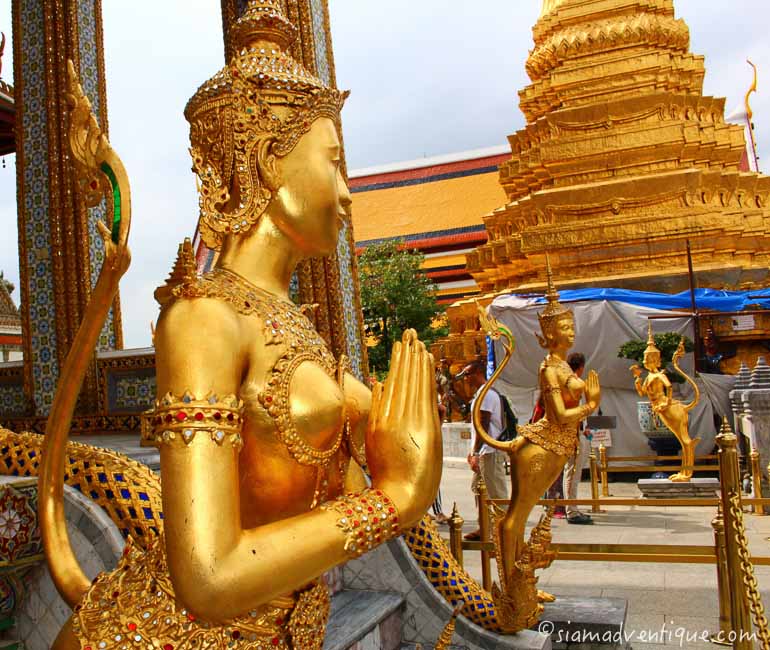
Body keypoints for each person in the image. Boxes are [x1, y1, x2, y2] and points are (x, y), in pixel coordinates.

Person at [43, 3, 442, 648]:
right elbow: (207, 578)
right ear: (266, 162)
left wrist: (386, 434)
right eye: (334, 161)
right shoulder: (205, 319)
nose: (347, 191)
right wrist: (393, 501)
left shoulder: (292, 323)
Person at [464, 359, 508, 541]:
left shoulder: (487, 394)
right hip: (483, 451)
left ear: (477, 373)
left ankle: (503, 530)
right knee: (480, 490)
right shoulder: (480, 394)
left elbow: (484, 423)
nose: (465, 379)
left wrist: (475, 452)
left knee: (496, 493)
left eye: (467, 374)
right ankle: (485, 526)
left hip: (490, 451)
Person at [562, 352, 593, 524]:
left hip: (577, 432)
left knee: (573, 473)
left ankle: (572, 507)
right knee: (572, 473)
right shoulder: (573, 384)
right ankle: (571, 510)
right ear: (580, 366)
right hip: (573, 435)